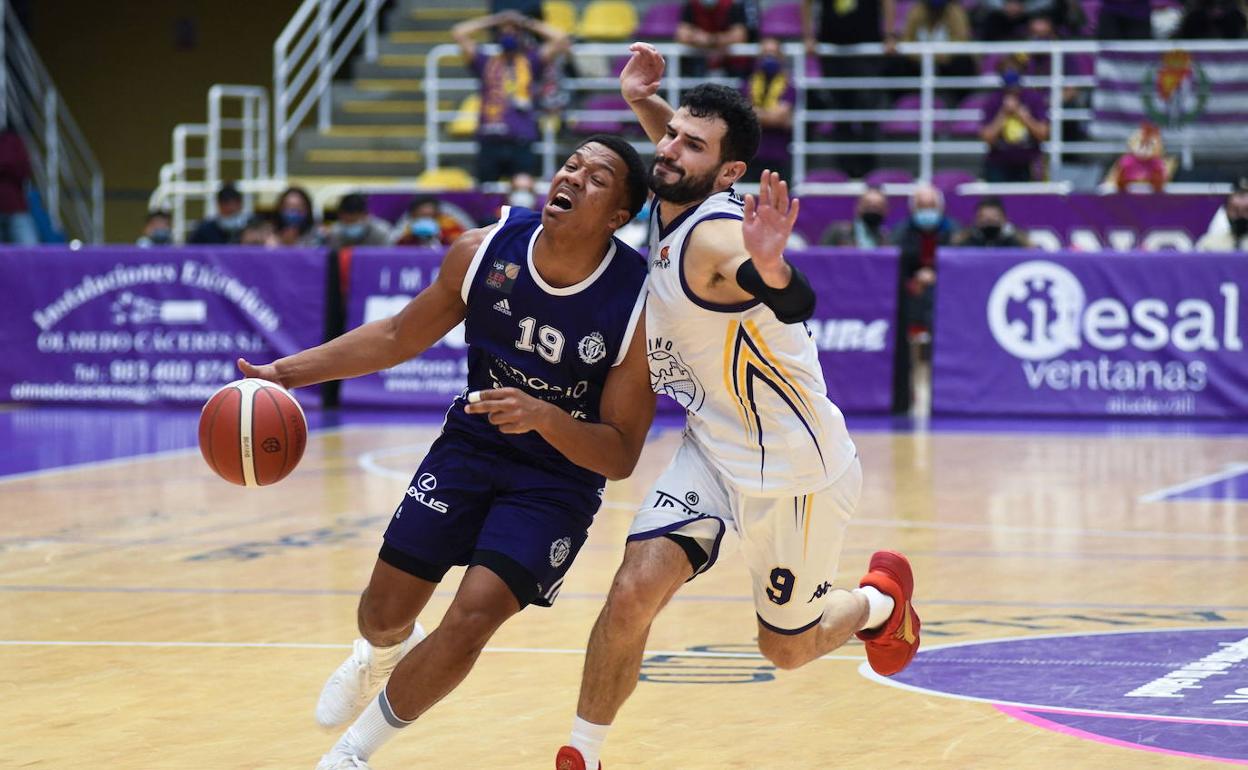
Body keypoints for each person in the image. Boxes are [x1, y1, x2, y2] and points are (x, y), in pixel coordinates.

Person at [555, 46, 921, 770]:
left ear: (728, 174)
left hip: (796, 471)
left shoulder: (720, 238)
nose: (667, 149)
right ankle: (583, 755)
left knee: (785, 649)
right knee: (631, 593)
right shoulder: (677, 181)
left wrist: (775, 268)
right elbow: (677, 146)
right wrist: (640, 98)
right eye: (671, 133)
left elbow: (791, 296)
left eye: (691, 144)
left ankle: (880, 603)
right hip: (711, 446)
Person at [240, 136, 652, 770]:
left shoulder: (637, 302)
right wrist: (287, 374)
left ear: (619, 217)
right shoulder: (483, 250)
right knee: (381, 616)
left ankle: (352, 755)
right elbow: (399, 334)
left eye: (597, 179)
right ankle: (377, 656)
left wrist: (544, 415)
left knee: (474, 614)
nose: (573, 177)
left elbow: (621, 453)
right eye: (571, 164)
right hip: (471, 446)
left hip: (557, 479)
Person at [452, 10, 570, 182]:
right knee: (487, 194)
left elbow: (560, 38)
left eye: (514, 31)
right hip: (489, 139)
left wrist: (525, 22)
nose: (509, 34)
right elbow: (459, 32)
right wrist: (495, 20)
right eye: (504, 31)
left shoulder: (531, 60)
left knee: (522, 195)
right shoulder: (484, 61)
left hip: (521, 139)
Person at [802, 0, 897, 179]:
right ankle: (844, 171)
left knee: (867, 111)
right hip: (832, 50)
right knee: (840, 112)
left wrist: (890, 35)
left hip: (867, 50)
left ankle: (868, 171)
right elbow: (806, 3)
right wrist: (808, 35)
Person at [890, 184, 956, 413]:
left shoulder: (954, 232)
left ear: (940, 207)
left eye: (931, 206)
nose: (926, 211)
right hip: (909, 297)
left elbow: (962, 268)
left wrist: (937, 275)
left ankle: (945, 395)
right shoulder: (900, 233)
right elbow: (891, 268)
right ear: (912, 209)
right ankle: (909, 395)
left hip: (947, 300)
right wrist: (913, 281)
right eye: (921, 206)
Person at [979, 59, 1049, 182]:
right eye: (1006, 71)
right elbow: (987, 138)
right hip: (998, 164)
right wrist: (1003, 114)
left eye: (1014, 70)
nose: (1010, 74)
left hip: (1028, 163)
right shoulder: (993, 101)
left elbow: (1043, 134)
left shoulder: (1033, 98)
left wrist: (1023, 115)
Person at [742, 36, 795, 182]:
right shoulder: (747, 84)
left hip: (778, 157)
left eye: (773, 54)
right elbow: (744, 115)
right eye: (766, 54)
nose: (769, 58)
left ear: (781, 58)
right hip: (751, 157)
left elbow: (780, 118)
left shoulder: (789, 86)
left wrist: (756, 114)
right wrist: (771, 116)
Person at [676, 0, 751, 77]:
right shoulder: (692, 5)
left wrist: (712, 39)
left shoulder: (732, 5)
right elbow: (682, 35)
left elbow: (740, 36)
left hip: (728, 63)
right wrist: (698, 37)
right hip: (699, 61)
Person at [1102, 123, 1174, 193]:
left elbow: (1159, 182)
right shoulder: (1127, 160)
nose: (1145, 149)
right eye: (1142, 145)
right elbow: (1118, 181)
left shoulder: (1157, 162)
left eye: (1149, 145)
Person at [0, 122, 37, 244]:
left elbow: (23, 169)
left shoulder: (13, 140)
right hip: (15, 206)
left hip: (15, 207)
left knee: (30, 251)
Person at [819, 186, 891, 247]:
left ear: (885, 210)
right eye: (868, 205)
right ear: (858, 207)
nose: (873, 210)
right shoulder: (837, 233)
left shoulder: (886, 238)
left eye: (878, 207)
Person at [954, 195, 1029, 247]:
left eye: (994, 218)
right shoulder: (967, 240)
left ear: (1004, 219)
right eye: (984, 218)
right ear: (976, 219)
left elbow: (1032, 250)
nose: (989, 222)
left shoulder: (1014, 240)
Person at [325, 193, 392, 249]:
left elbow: (387, 259)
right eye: (346, 221)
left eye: (353, 221)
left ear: (365, 216)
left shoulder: (381, 232)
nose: (349, 225)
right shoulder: (335, 233)